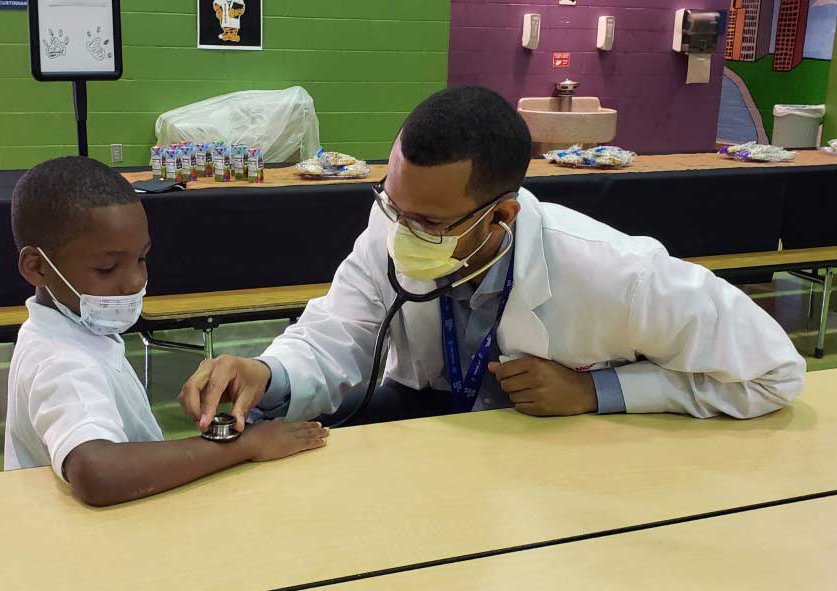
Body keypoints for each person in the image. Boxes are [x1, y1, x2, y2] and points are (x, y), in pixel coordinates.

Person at [179, 86, 805, 431]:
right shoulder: (393, 219)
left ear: (501, 215)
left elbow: (775, 374)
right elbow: (338, 331)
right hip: (433, 410)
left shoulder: (619, 273)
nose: (399, 231)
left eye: (427, 223)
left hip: (549, 440)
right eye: (392, 205)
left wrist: (599, 391)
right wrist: (269, 374)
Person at [4, 156, 328, 507]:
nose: (135, 281)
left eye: (141, 259)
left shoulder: (73, 330)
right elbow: (97, 472)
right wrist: (244, 444)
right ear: (36, 267)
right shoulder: (61, 360)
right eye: (107, 267)